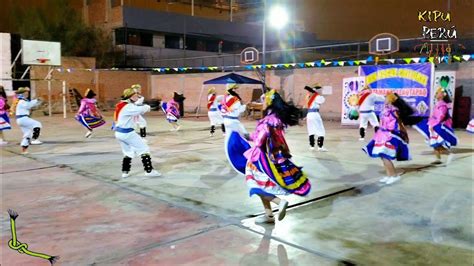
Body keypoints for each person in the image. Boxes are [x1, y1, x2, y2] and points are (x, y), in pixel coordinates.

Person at [241, 89, 311, 223]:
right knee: (262, 185)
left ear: (268, 102)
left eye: (263, 100)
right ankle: (269, 215)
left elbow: (260, 140)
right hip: (272, 156)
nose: (261, 103)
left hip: (259, 157)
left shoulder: (267, 121)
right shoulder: (276, 119)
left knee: (253, 183)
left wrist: (248, 137)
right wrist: (249, 136)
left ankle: (279, 202)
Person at [363, 92, 417, 185]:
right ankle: (389, 175)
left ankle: (394, 176)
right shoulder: (386, 109)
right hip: (381, 134)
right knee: (382, 156)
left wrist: (404, 134)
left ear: (391, 100)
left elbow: (400, 123)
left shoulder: (394, 111)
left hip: (389, 135)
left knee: (385, 156)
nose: (385, 99)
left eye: (387, 98)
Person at [113, 88, 161, 178]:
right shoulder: (128, 107)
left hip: (119, 133)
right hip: (128, 133)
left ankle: (125, 172)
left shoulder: (121, 105)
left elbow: (134, 107)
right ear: (130, 97)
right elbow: (141, 109)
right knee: (144, 149)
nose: (137, 97)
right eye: (135, 95)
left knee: (127, 152)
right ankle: (149, 171)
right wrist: (148, 106)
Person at [414, 88, 457, 164]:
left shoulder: (442, 105)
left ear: (442, 95)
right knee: (434, 143)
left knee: (438, 142)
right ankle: (438, 159)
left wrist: (433, 125)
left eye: (438, 93)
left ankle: (449, 154)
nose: (436, 94)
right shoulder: (438, 104)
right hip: (433, 124)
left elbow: (441, 116)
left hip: (437, 126)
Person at [13, 87, 43, 154]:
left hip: (21, 119)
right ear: (22, 93)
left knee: (27, 134)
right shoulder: (22, 101)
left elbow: (30, 105)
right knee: (37, 124)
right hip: (23, 118)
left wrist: (38, 101)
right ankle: (35, 139)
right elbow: (29, 105)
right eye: (25, 92)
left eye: (27, 92)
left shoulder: (22, 100)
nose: (27, 93)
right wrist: (36, 100)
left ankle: (24, 150)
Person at [304, 84, 327, 151]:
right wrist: (319, 95)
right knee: (321, 129)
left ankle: (312, 146)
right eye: (320, 90)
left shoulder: (309, 96)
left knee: (311, 130)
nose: (321, 92)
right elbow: (322, 100)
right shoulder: (317, 97)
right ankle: (320, 147)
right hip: (315, 114)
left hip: (309, 114)